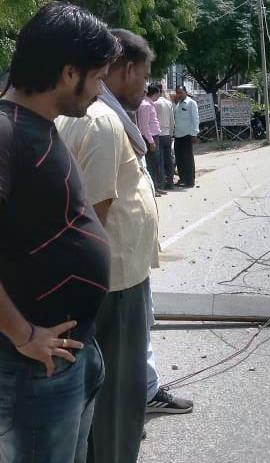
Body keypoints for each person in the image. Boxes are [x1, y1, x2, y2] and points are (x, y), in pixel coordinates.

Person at [0, 3, 120, 462]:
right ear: (70, 72)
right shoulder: (6, 132)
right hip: (33, 366)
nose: (100, 90)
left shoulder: (42, 127)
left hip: (72, 354)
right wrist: (23, 334)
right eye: (98, 78)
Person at [57, 29, 159, 463]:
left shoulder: (99, 117)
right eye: (145, 75)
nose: (145, 86)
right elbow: (91, 219)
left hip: (113, 280)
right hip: (112, 285)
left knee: (104, 399)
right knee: (117, 401)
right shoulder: (101, 121)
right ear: (127, 70)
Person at [137, 86, 164, 196]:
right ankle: (153, 188)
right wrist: (151, 141)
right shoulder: (146, 105)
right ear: (155, 94)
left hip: (153, 136)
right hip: (150, 138)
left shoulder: (149, 104)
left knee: (155, 163)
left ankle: (156, 187)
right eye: (158, 94)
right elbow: (144, 126)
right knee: (151, 164)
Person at [173, 85, 199, 188]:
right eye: (177, 93)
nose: (179, 95)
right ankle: (182, 179)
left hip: (187, 135)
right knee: (179, 158)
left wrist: (194, 134)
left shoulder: (191, 103)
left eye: (181, 92)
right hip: (177, 135)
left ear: (185, 92)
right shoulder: (177, 104)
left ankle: (190, 181)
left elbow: (195, 119)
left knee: (187, 158)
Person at [152, 83, 175, 189]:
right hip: (167, 134)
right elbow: (172, 120)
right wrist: (171, 133)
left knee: (160, 160)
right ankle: (170, 182)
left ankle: (161, 184)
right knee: (168, 159)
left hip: (158, 135)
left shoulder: (154, 103)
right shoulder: (168, 103)